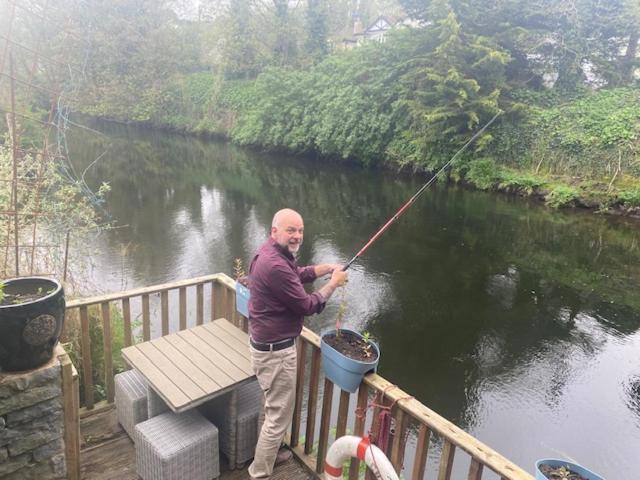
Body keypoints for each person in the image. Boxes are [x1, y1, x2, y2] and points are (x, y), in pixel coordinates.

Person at [247, 208, 348, 480]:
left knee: (271, 407)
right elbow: (307, 305)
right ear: (275, 231)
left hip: (264, 346)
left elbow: (297, 274)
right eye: (291, 230)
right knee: (278, 415)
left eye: (300, 230)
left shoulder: (270, 253)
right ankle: (259, 472)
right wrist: (334, 284)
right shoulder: (276, 264)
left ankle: (270, 453)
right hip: (276, 353)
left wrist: (323, 269)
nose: (297, 236)